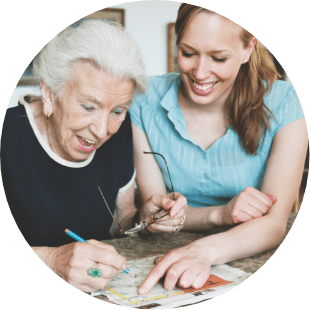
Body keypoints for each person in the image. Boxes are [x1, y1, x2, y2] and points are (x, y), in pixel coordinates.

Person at [129, 3, 308, 294]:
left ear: (248, 49)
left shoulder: (285, 101)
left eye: (218, 58)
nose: (200, 73)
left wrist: (203, 252)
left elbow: (274, 225)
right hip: (163, 249)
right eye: (188, 53)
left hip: (250, 256)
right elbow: (160, 215)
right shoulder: (143, 101)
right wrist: (219, 215)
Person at [0, 19, 187, 292]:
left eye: (117, 110)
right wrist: (51, 261)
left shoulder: (121, 132)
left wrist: (142, 220)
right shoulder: (8, 136)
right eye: (88, 106)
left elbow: (119, 220)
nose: (102, 131)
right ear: (50, 94)